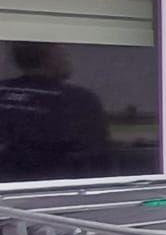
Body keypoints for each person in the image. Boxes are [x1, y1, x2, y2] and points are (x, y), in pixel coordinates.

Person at [0, 41, 112, 182]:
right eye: (64, 55)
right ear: (51, 57)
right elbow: (98, 158)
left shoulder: (2, 90)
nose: (67, 60)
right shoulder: (76, 99)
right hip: (55, 188)